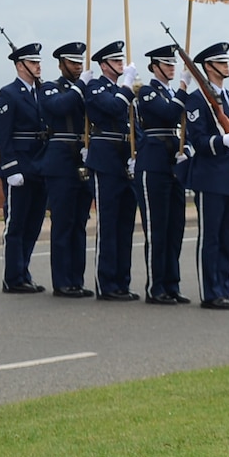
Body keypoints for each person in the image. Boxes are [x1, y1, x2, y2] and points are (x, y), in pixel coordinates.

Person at [181, 42, 229, 310]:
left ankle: (225, 289)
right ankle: (211, 293)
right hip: (210, 177)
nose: (226, 65)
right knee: (211, 237)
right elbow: (198, 139)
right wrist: (223, 142)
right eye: (221, 62)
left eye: (227, 60)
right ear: (208, 67)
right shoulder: (197, 100)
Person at [82, 41, 138, 301]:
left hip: (125, 159)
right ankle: (106, 283)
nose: (121, 65)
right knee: (108, 224)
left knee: (125, 224)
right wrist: (127, 84)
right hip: (105, 160)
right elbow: (114, 107)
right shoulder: (95, 87)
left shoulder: (124, 89)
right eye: (116, 62)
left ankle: (122, 281)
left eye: (122, 61)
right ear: (104, 65)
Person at [134, 44, 188, 305]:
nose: (171, 67)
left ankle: (172, 284)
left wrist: (186, 147)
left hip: (173, 167)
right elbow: (168, 114)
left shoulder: (173, 93)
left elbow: (184, 124)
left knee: (175, 228)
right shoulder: (147, 92)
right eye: (166, 64)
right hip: (153, 166)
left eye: (173, 63)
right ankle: (156, 287)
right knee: (157, 230)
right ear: (154, 66)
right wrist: (183, 89)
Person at [0, 41, 47, 295]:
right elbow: (4, 136)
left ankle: (24, 272)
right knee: (16, 224)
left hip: (40, 165)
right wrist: (11, 167)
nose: (38, 66)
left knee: (33, 223)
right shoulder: (8, 94)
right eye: (33, 62)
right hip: (21, 167)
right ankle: (12, 277)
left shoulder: (41, 92)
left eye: (38, 62)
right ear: (20, 65)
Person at [38, 43, 92, 297]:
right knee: (63, 223)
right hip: (60, 164)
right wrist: (82, 88)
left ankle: (77, 280)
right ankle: (62, 281)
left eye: (80, 63)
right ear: (61, 64)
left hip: (83, 161)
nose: (78, 67)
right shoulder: (50, 88)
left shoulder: (85, 88)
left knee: (80, 223)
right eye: (73, 62)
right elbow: (59, 107)